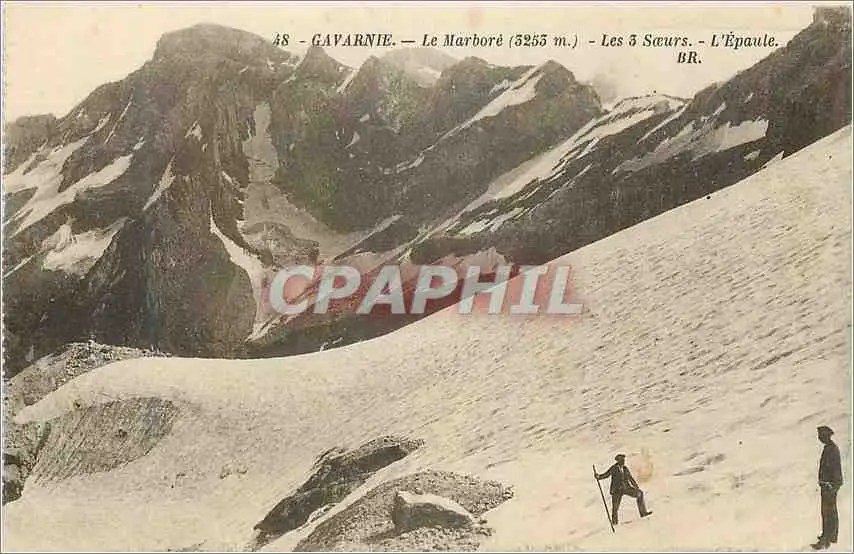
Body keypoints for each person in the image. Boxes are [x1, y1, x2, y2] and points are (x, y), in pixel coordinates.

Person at [595, 453, 652, 525]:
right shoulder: (614, 468)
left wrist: (636, 487)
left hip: (626, 488)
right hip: (616, 490)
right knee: (615, 507)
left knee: (640, 493)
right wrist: (599, 477)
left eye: (623, 460)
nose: (623, 461)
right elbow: (606, 474)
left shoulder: (625, 468)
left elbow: (630, 478)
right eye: (622, 460)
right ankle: (614, 522)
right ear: (618, 461)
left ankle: (643, 513)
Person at [812, 425, 842, 550]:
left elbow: (835, 469)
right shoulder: (829, 448)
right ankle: (829, 536)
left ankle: (827, 538)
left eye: (821, 436)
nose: (819, 438)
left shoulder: (832, 449)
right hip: (827, 485)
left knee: (828, 512)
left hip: (830, 486)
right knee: (828, 511)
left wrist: (831, 484)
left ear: (826, 436)